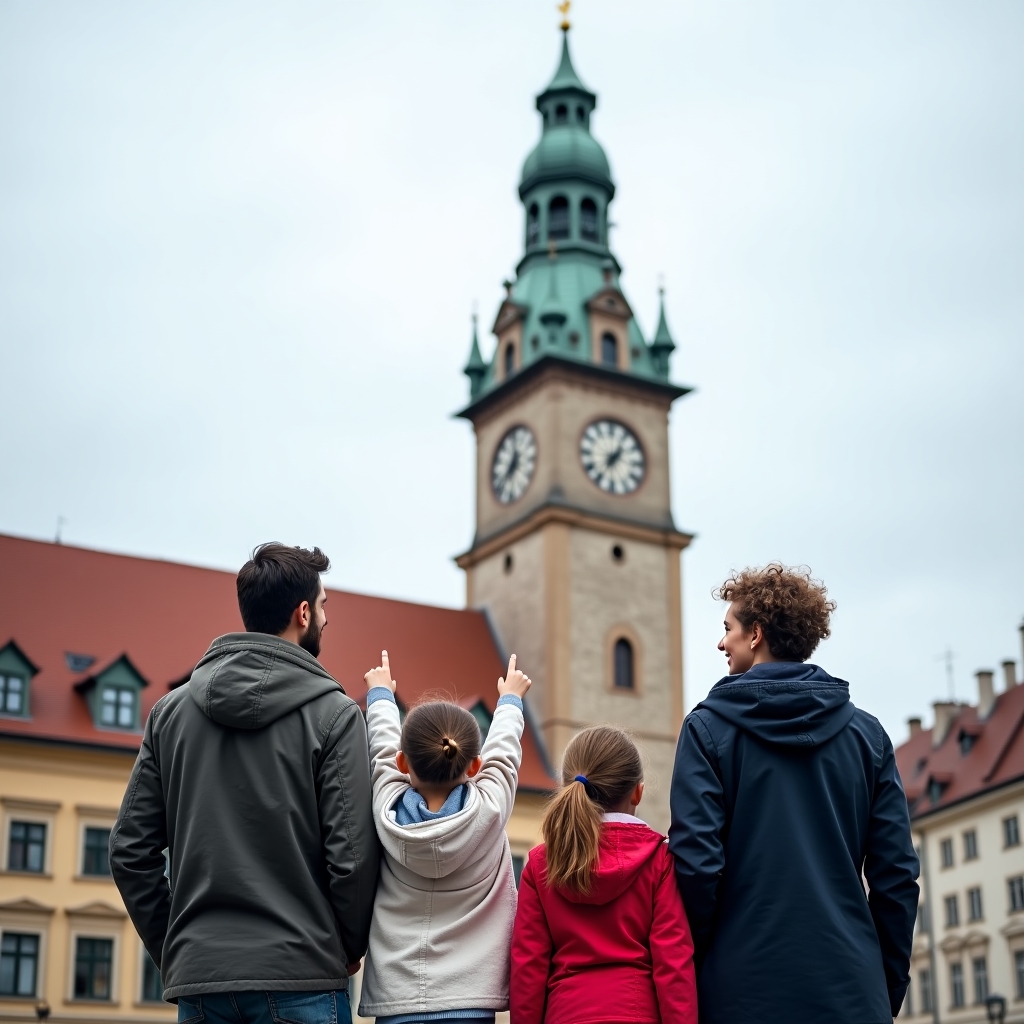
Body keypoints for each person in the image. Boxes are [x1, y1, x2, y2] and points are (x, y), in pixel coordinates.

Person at [110, 542, 379, 1024]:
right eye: (323, 606)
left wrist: (178, 948)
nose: (326, 618)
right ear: (303, 613)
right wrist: (344, 946)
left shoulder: (169, 714)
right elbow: (353, 860)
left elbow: (129, 850)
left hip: (201, 982)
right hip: (302, 976)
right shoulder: (335, 716)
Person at [669, 564, 919, 1024]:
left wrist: (703, 966)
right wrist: (883, 985)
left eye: (728, 628)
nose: (721, 643)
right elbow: (897, 876)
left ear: (755, 634)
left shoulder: (705, 731)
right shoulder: (868, 737)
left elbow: (696, 865)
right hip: (852, 991)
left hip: (740, 993)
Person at [357, 650, 531, 1024]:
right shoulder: (491, 809)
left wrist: (381, 695)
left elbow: (381, 749)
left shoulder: (385, 805)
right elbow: (504, 753)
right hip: (472, 999)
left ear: (403, 764)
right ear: (475, 765)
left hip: (397, 1000)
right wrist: (510, 700)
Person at [510, 726, 697, 1024]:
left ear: (567, 788)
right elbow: (673, 965)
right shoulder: (659, 860)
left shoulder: (541, 864)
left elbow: (528, 969)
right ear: (638, 792)